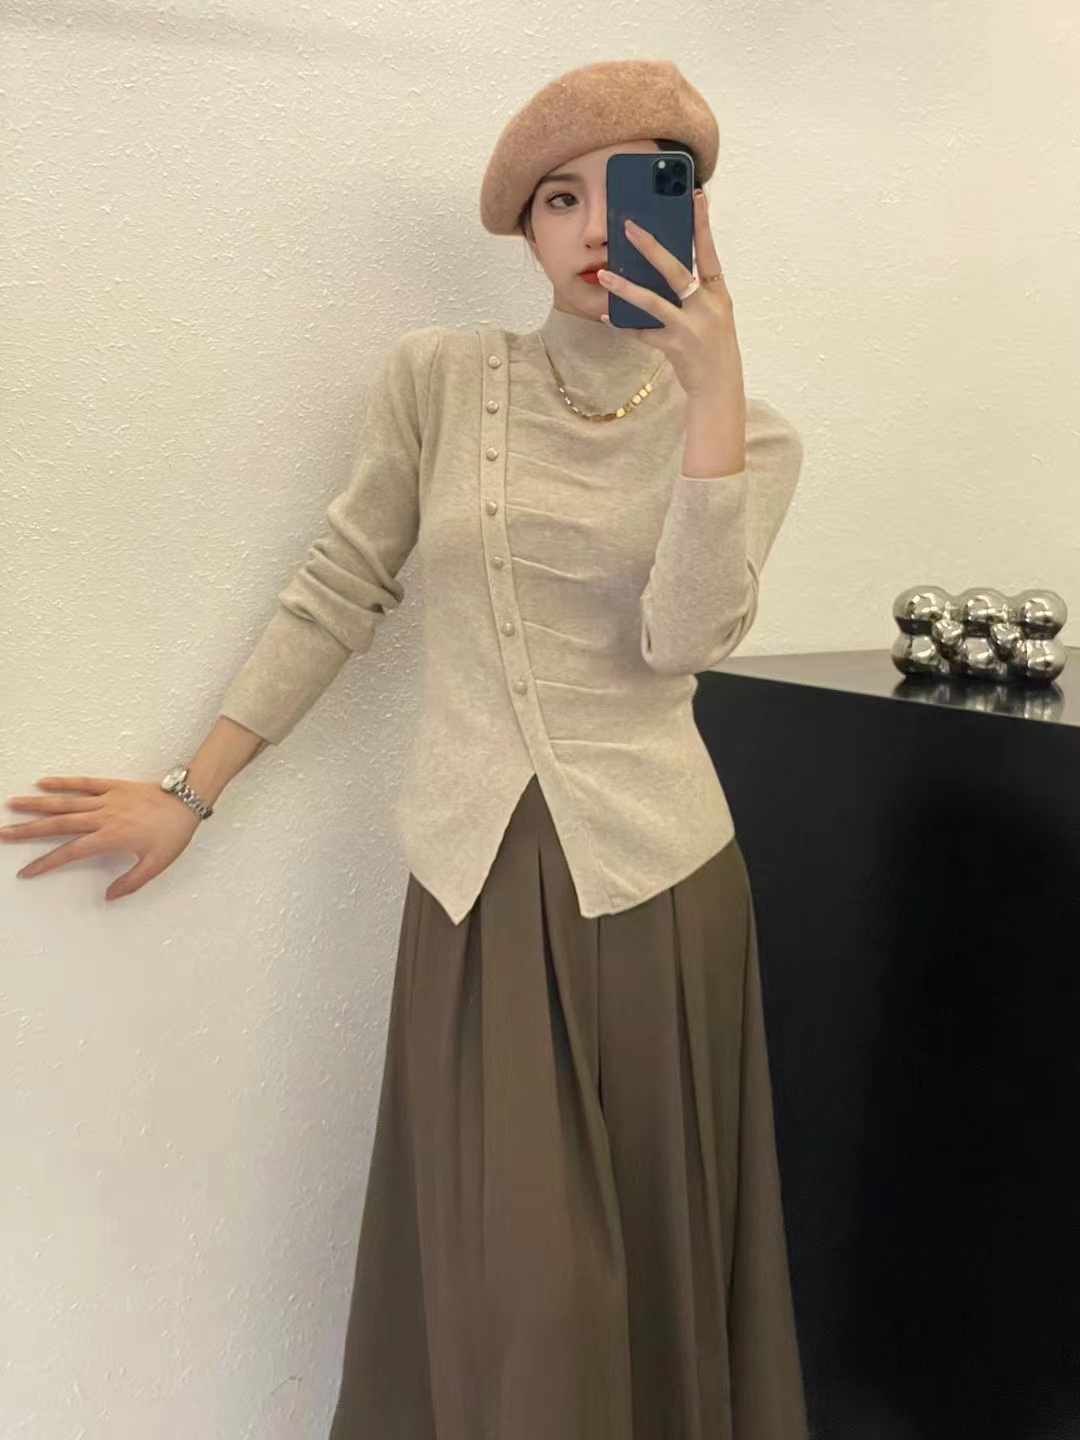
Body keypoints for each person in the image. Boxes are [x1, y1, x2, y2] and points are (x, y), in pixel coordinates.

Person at [1, 57, 809, 1440]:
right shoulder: (442, 382)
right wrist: (193, 790)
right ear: (524, 230)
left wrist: (715, 403)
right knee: (519, 1296)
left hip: (660, 898)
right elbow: (340, 586)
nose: (594, 226)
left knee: (647, 1281)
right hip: (475, 896)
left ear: (691, 211)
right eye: (559, 198)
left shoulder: (754, 436)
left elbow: (683, 641)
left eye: (633, 188)